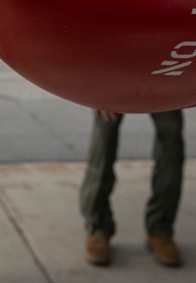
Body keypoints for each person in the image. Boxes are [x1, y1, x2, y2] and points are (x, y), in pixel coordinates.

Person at [79, 109, 185, 268]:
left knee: (172, 135)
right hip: (111, 84)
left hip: (164, 83)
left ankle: (160, 228)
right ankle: (98, 227)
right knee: (104, 139)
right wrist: (95, 93)